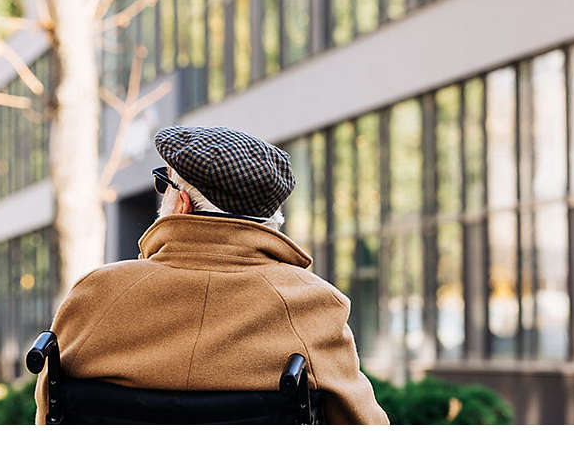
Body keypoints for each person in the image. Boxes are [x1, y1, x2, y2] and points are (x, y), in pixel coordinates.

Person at [33, 126, 389, 425]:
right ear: (271, 219)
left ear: (181, 205)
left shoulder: (95, 296)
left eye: (164, 184)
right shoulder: (313, 306)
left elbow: (51, 415)